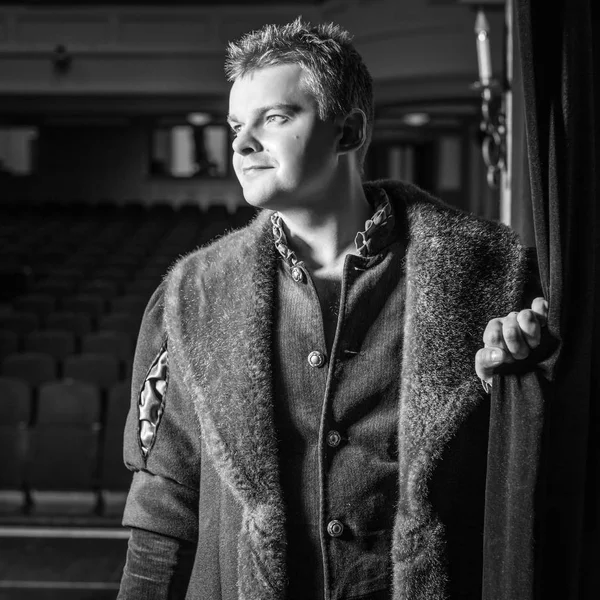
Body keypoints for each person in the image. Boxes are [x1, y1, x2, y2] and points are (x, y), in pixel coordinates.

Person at [117, 18, 547, 600]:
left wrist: (531, 368)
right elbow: (163, 506)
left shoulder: (493, 278)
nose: (242, 144)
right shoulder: (191, 296)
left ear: (348, 132)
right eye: (237, 125)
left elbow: (538, 475)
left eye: (275, 118)